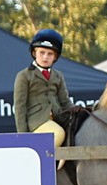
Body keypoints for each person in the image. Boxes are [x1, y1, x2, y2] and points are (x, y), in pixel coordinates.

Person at [13, 28, 73, 169]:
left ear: (55, 57)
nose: (45, 57)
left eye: (50, 54)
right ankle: (36, 165)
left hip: (57, 118)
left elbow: (65, 101)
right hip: (37, 123)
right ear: (34, 53)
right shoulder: (24, 76)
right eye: (42, 52)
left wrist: (76, 111)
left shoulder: (58, 76)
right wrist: (23, 138)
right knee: (58, 133)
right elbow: (20, 107)